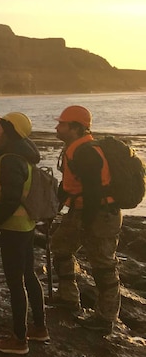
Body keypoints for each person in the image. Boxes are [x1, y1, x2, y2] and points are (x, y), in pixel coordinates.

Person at [0, 112, 48, 354]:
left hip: (13, 228)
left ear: (9, 131)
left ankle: (19, 340)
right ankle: (39, 329)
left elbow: (10, 199)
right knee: (28, 275)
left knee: (15, 282)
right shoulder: (22, 156)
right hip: (25, 225)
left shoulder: (10, 159)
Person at [52, 105, 122, 335]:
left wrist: (87, 222)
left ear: (75, 127)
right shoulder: (75, 148)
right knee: (61, 247)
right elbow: (70, 185)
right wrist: (55, 208)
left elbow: (93, 191)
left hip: (100, 214)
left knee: (103, 265)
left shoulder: (87, 152)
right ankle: (68, 298)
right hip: (81, 211)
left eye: (61, 124)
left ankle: (105, 318)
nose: (57, 127)